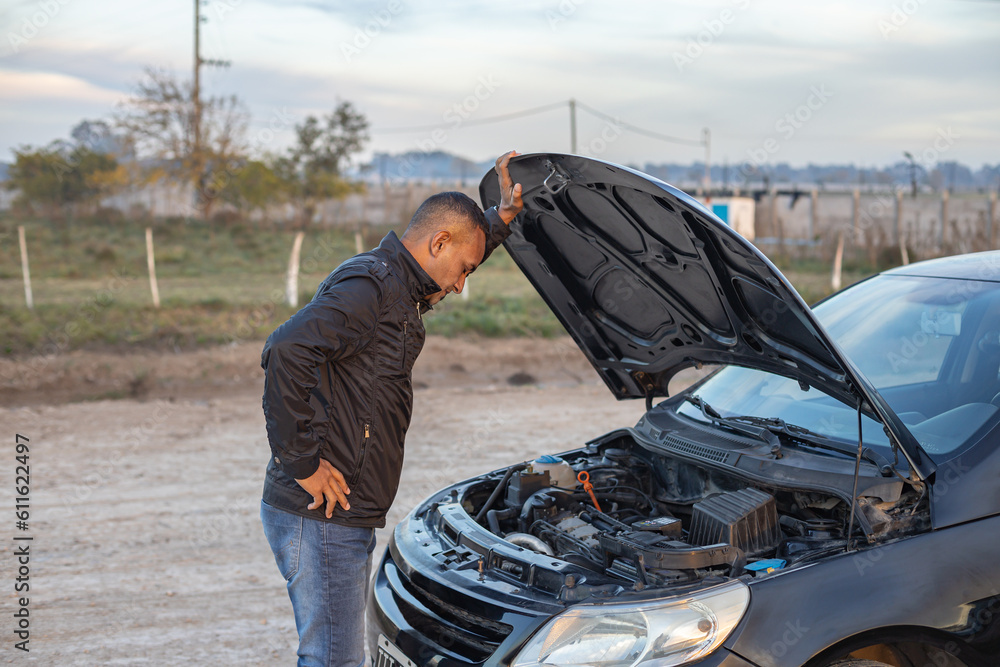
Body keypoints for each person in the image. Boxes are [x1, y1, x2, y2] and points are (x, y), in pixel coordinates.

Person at [259, 151, 524, 666]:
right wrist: (303, 464)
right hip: (325, 513)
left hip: (341, 515)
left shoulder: (401, 284)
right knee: (333, 659)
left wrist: (497, 225)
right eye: (463, 268)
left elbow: (452, 258)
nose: (460, 284)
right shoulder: (373, 290)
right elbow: (286, 350)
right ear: (437, 242)